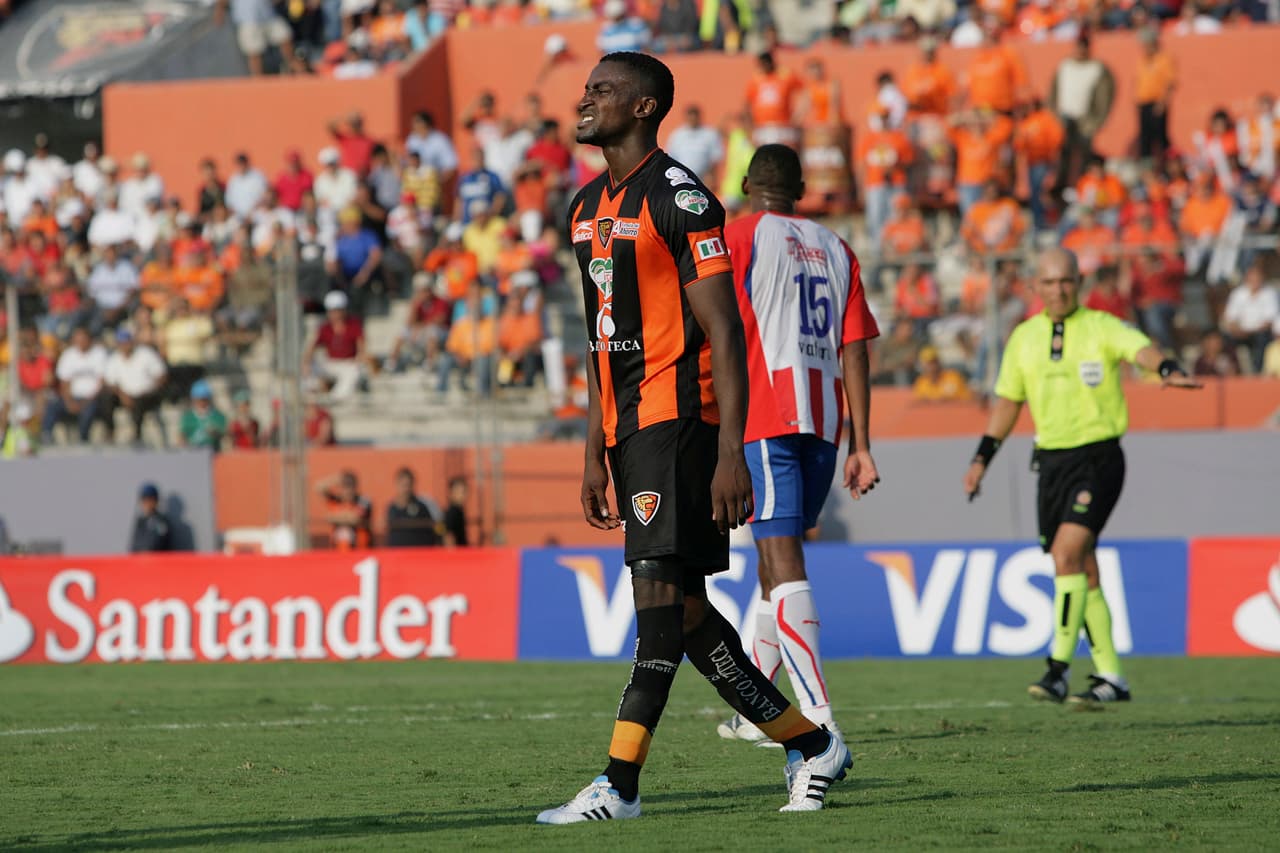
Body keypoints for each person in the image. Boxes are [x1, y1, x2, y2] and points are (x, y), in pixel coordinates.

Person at [537, 52, 849, 826]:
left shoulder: (682, 200)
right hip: (627, 430)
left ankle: (620, 783)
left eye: (601, 90)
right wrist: (591, 452)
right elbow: (597, 338)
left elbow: (725, 329)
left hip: (677, 422)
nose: (585, 100)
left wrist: (729, 449)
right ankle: (809, 742)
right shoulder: (583, 207)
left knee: (657, 612)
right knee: (686, 613)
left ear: (644, 108)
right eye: (587, 88)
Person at [963, 248, 1201, 706]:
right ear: (1035, 287)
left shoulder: (1100, 326)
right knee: (1079, 566)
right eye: (1049, 283)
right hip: (1051, 464)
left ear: (1079, 283)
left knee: (1067, 552)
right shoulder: (1024, 339)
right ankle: (1113, 677)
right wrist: (981, 459)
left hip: (1099, 458)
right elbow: (1009, 402)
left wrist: (1167, 368)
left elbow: (1140, 349)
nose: (1058, 290)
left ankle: (1057, 668)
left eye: (1066, 281)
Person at [718, 143, 880, 746]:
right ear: (803, 189)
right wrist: (861, 443)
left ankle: (817, 716)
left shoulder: (737, 238)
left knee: (784, 562)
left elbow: (709, 322)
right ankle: (755, 710)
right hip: (824, 422)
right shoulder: (838, 249)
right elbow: (857, 349)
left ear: (744, 185)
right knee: (771, 559)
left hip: (764, 414)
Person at [315, 470, 372, 550]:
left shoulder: (363, 500)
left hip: (359, 551)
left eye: (350, 485)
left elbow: (354, 518)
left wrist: (333, 517)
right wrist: (336, 479)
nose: (347, 490)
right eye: (344, 486)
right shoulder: (336, 500)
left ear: (355, 487)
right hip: (338, 551)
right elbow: (319, 487)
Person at [386, 467, 443, 547]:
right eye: (403, 485)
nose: (406, 489)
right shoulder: (391, 508)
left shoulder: (424, 505)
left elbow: (439, 526)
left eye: (408, 485)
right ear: (396, 485)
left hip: (421, 554)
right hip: (397, 555)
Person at [179, 379, 227, 450]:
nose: (202, 402)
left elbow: (225, 434)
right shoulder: (188, 417)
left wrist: (216, 432)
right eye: (199, 399)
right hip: (194, 453)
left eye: (204, 399)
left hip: (213, 452)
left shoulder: (218, 416)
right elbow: (182, 436)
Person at [129, 483, 175, 553]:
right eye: (144, 500)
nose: (147, 503)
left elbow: (157, 545)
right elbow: (134, 546)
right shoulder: (140, 521)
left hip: (158, 562)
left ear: (156, 501)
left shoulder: (162, 521)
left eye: (150, 499)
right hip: (140, 562)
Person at [441, 476, 469, 546]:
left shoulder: (459, 511)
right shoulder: (452, 512)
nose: (463, 495)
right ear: (450, 493)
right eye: (460, 492)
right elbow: (448, 536)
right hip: (458, 554)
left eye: (465, 491)